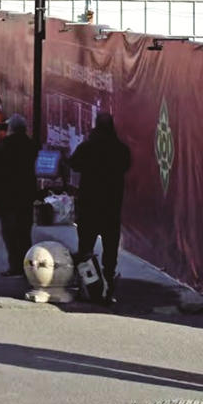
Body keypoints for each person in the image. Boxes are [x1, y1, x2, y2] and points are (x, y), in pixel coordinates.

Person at [69, 112, 131, 302]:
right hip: (111, 206)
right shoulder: (120, 149)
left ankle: (87, 284)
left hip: (89, 205)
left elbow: (73, 164)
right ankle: (108, 280)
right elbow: (126, 166)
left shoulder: (87, 147)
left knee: (85, 246)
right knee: (110, 246)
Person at [0, 113, 37, 276]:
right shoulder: (30, 145)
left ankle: (15, 266)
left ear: (11, 128)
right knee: (24, 232)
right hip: (26, 194)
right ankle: (26, 265)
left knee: (10, 232)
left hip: (8, 194)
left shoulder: (7, 144)